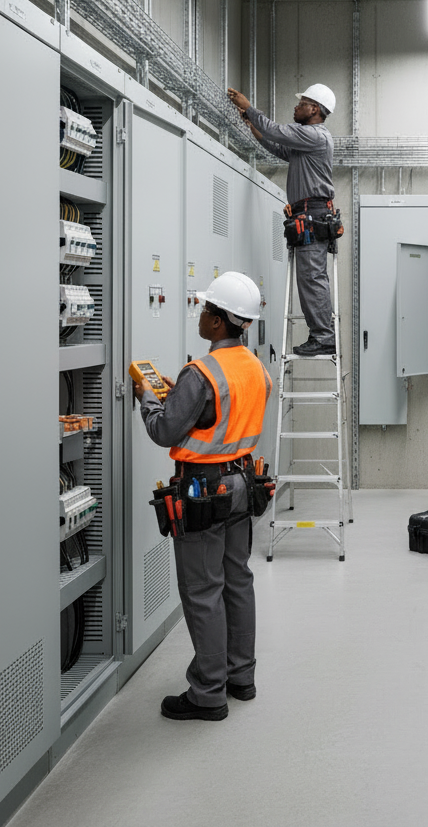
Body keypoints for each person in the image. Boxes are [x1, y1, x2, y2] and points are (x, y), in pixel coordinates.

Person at [132, 272, 272, 722]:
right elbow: (223, 416)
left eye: (206, 310)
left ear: (218, 323)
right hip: (242, 485)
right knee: (237, 579)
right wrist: (184, 399)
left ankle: (208, 693)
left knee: (202, 589)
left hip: (202, 490)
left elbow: (164, 431)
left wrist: (148, 399)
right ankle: (241, 677)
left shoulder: (201, 373)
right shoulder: (255, 368)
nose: (200, 315)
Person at [227, 82, 337, 357]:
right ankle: (321, 334)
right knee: (309, 278)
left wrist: (249, 107)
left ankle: (324, 336)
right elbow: (279, 148)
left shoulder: (315, 136)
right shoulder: (307, 142)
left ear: (314, 109)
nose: (296, 107)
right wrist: (253, 126)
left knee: (312, 278)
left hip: (312, 216)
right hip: (307, 216)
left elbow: (276, 131)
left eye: (301, 104)